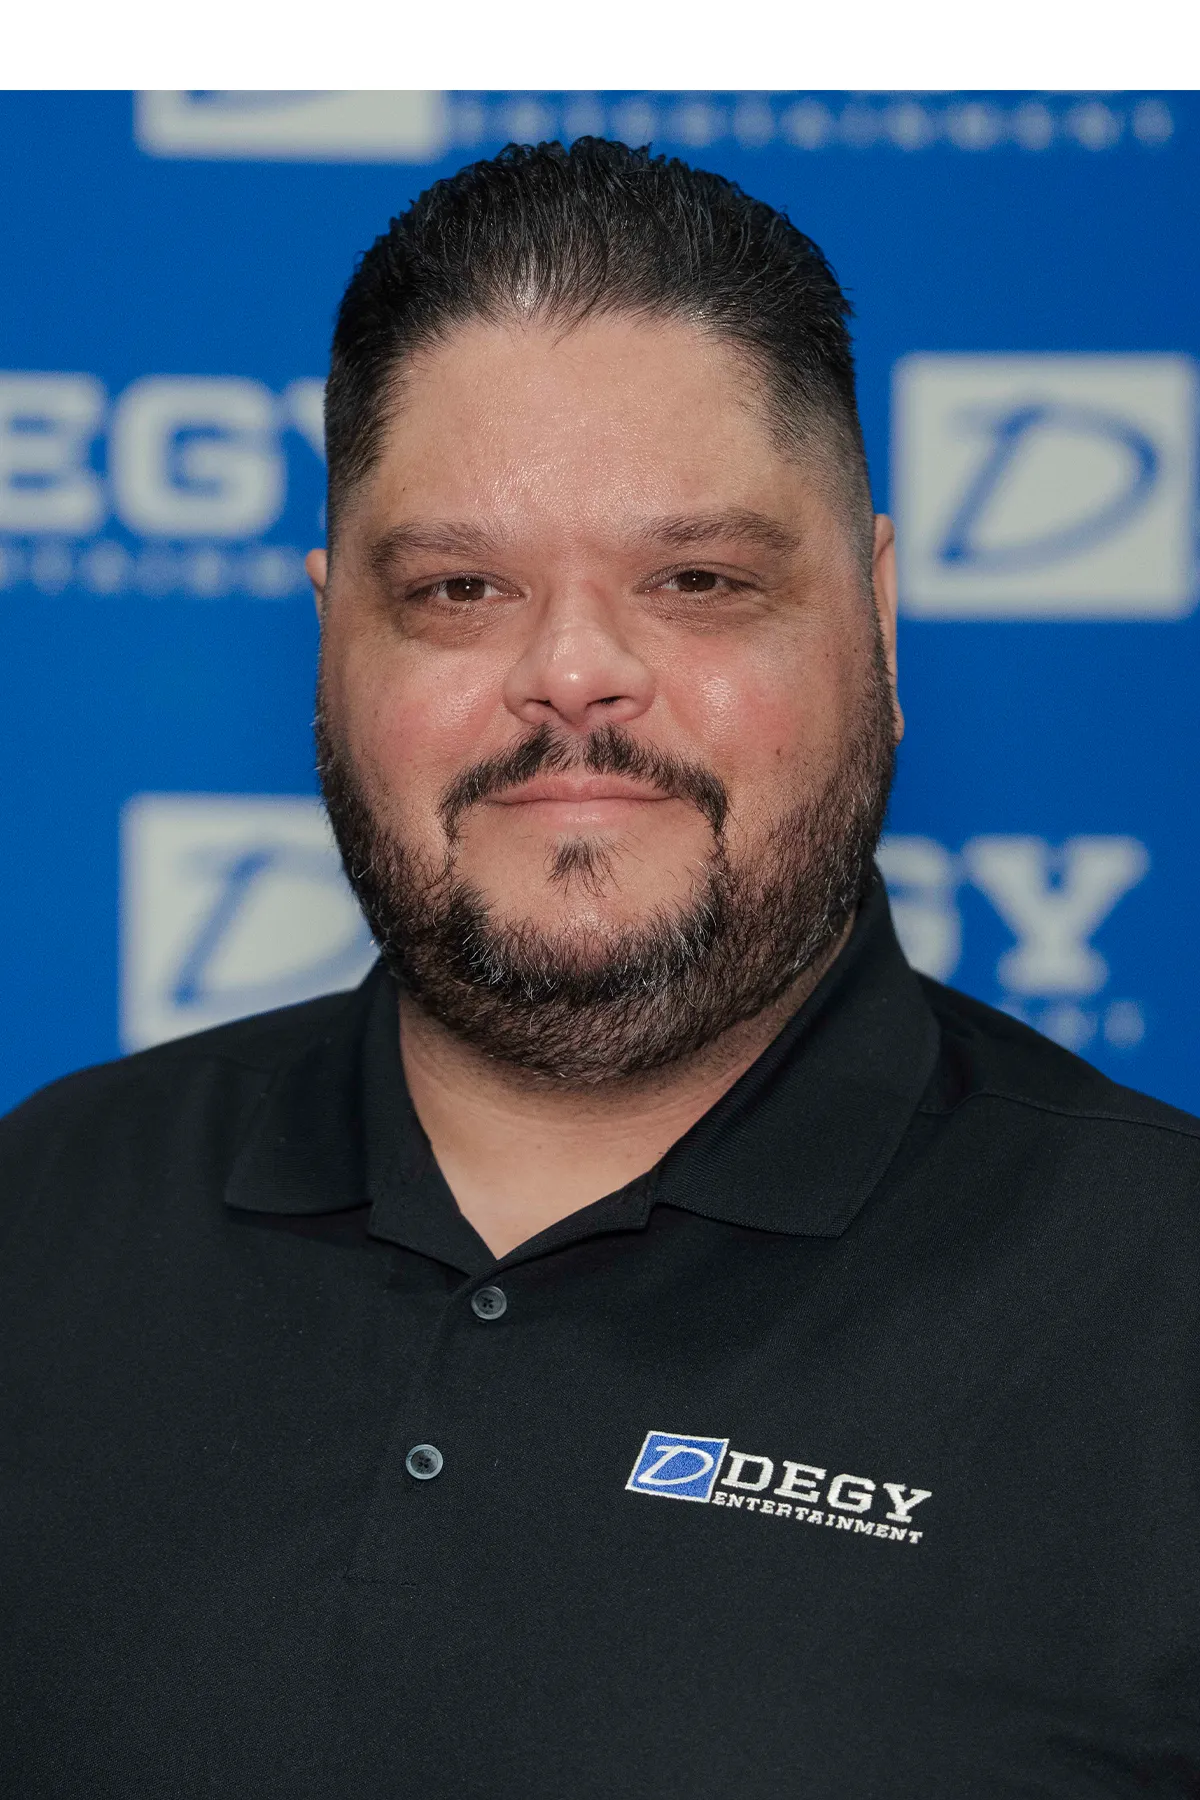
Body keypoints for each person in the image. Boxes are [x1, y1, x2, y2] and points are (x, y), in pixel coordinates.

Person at [3, 138, 1198, 1798]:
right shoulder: (42, 1217)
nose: (573, 673)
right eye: (460, 588)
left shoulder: (1159, 1306)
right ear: (329, 636)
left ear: (877, 619)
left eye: (697, 582)